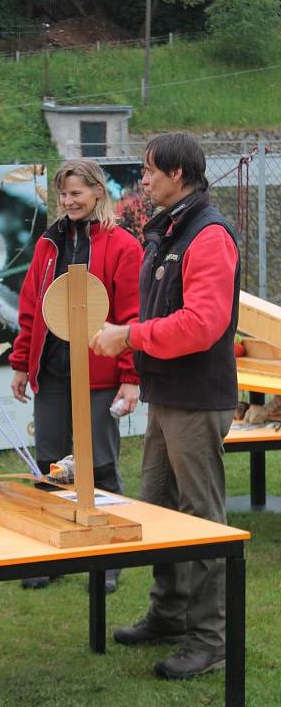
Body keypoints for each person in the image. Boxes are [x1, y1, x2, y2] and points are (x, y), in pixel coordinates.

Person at [89, 131, 240, 680]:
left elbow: (203, 325)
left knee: (201, 521)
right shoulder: (167, 231)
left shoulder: (208, 235)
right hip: (167, 396)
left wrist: (128, 338)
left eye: (151, 170)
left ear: (179, 174)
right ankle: (169, 613)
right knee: (157, 506)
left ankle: (210, 638)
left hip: (197, 399)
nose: (144, 178)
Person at [10, 159, 142, 592]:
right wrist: (20, 362)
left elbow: (130, 317)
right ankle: (50, 554)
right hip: (52, 372)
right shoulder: (49, 245)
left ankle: (106, 559)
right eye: (63, 194)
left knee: (99, 466)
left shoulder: (123, 247)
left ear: (98, 193)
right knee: (49, 465)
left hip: (100, 375)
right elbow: (32, 306)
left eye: (76, 193)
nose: (68, 201)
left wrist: (129, 377)